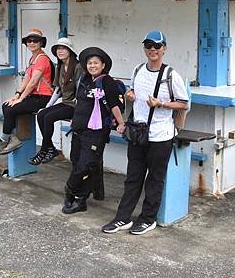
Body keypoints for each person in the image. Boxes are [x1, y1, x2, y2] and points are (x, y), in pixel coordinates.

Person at [102, 30, 188, 235]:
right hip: (138, 133)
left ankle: (148, 219)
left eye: (157, 46)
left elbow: (183, 104)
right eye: (148, 45)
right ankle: (123, 218)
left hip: (161, 135)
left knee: (154, 180)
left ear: (164, 49)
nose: (152, 49)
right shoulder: (138, 69)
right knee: (133, 177)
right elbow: (133, 92)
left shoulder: (171, 75)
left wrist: (162, 104)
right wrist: (130, 94)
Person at [62, 47, 125, 214]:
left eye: (96, 63)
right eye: (89, 63)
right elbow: (80, 103)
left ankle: (70, 191)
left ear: (103, 65)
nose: (92, 65)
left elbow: (114, 105)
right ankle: (81, 200)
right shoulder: (84, 79)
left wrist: (121, 123)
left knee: (86, 165)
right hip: (79, 129)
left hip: (96, 132)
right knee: (77, 163)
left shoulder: (107, 82)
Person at [0, 28, 53, 156]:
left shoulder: (42, 59)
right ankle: (12, 138)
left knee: (11, 109)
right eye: (29, 40)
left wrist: (21, 99)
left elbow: (33, 82)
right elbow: (26, 80)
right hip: (34, 96)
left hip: (43, 97)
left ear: (41, 43)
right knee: (6, 105)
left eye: (35, 40)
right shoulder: (32, 59)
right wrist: (16, 95)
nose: (32, 43)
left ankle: (4, 140)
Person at [29, 37, 83, 165]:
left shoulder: (77, 66)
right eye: (58, 48)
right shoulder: (60, 65)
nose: (60, 51)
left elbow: (81, 91)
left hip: (76, 105)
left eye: (63, 48)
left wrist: (78, 114)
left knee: (49, 118)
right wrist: (47, 106)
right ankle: (51, 148)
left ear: (70, 50)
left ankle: (43, 150)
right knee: (42, 115)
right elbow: (58, 89)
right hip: (66, 103)